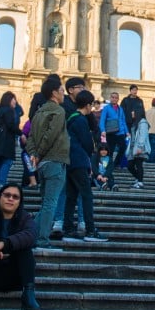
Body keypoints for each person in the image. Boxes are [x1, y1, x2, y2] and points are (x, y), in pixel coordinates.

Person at [27, 76, 70, 249]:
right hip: (55, 160)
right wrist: (39, 153)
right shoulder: (59, 111)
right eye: (61, 91)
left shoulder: (39, 112)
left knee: (46, 203)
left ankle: (29, 234)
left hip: (43, 164)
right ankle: (42, 239)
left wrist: (34, 154)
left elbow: (30, 137)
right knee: (51, 203)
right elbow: (50, 136)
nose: (63, 94)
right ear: (54, 93)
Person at [62, 90, 108, 242]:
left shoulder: (71, 119)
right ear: (88, 105)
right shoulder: (81, 120)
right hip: (79, 161)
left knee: (71, 195)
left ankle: (68, 229)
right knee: (87, 195)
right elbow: (88, 143)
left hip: (69, 161)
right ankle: (90, 230)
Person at [0, 91, 21, 187]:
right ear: (9, 100)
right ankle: (1, 183)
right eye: (14, 99)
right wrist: (21, 133)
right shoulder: (8, 110)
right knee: (7, 161)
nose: (15, 102)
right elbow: (10, 125)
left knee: (0, 163)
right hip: (6, 140)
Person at [99, 91, 129, 185]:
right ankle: (110, 166)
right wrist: (103, 130)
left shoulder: (120, 109)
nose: (114, 99)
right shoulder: (106, 108)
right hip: (110, 132)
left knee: (123, 147)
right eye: (112, 97)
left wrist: (127, 131)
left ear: (118, 99)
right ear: (110, 98)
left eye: (116, 97)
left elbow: (123, 121)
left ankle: (116, 163)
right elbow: (102, 120)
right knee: (110, 151)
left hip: (120, 132)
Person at [128, 110, 151, 189]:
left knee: (138, 164)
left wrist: (140, 147)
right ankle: (138, 178)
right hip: (133, 147)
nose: (132, 113)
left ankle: (140, 182)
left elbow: (143, 135)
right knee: (130, 165)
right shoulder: (135, 122)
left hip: (139, 147)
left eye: (133, 112)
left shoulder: (143, 123)